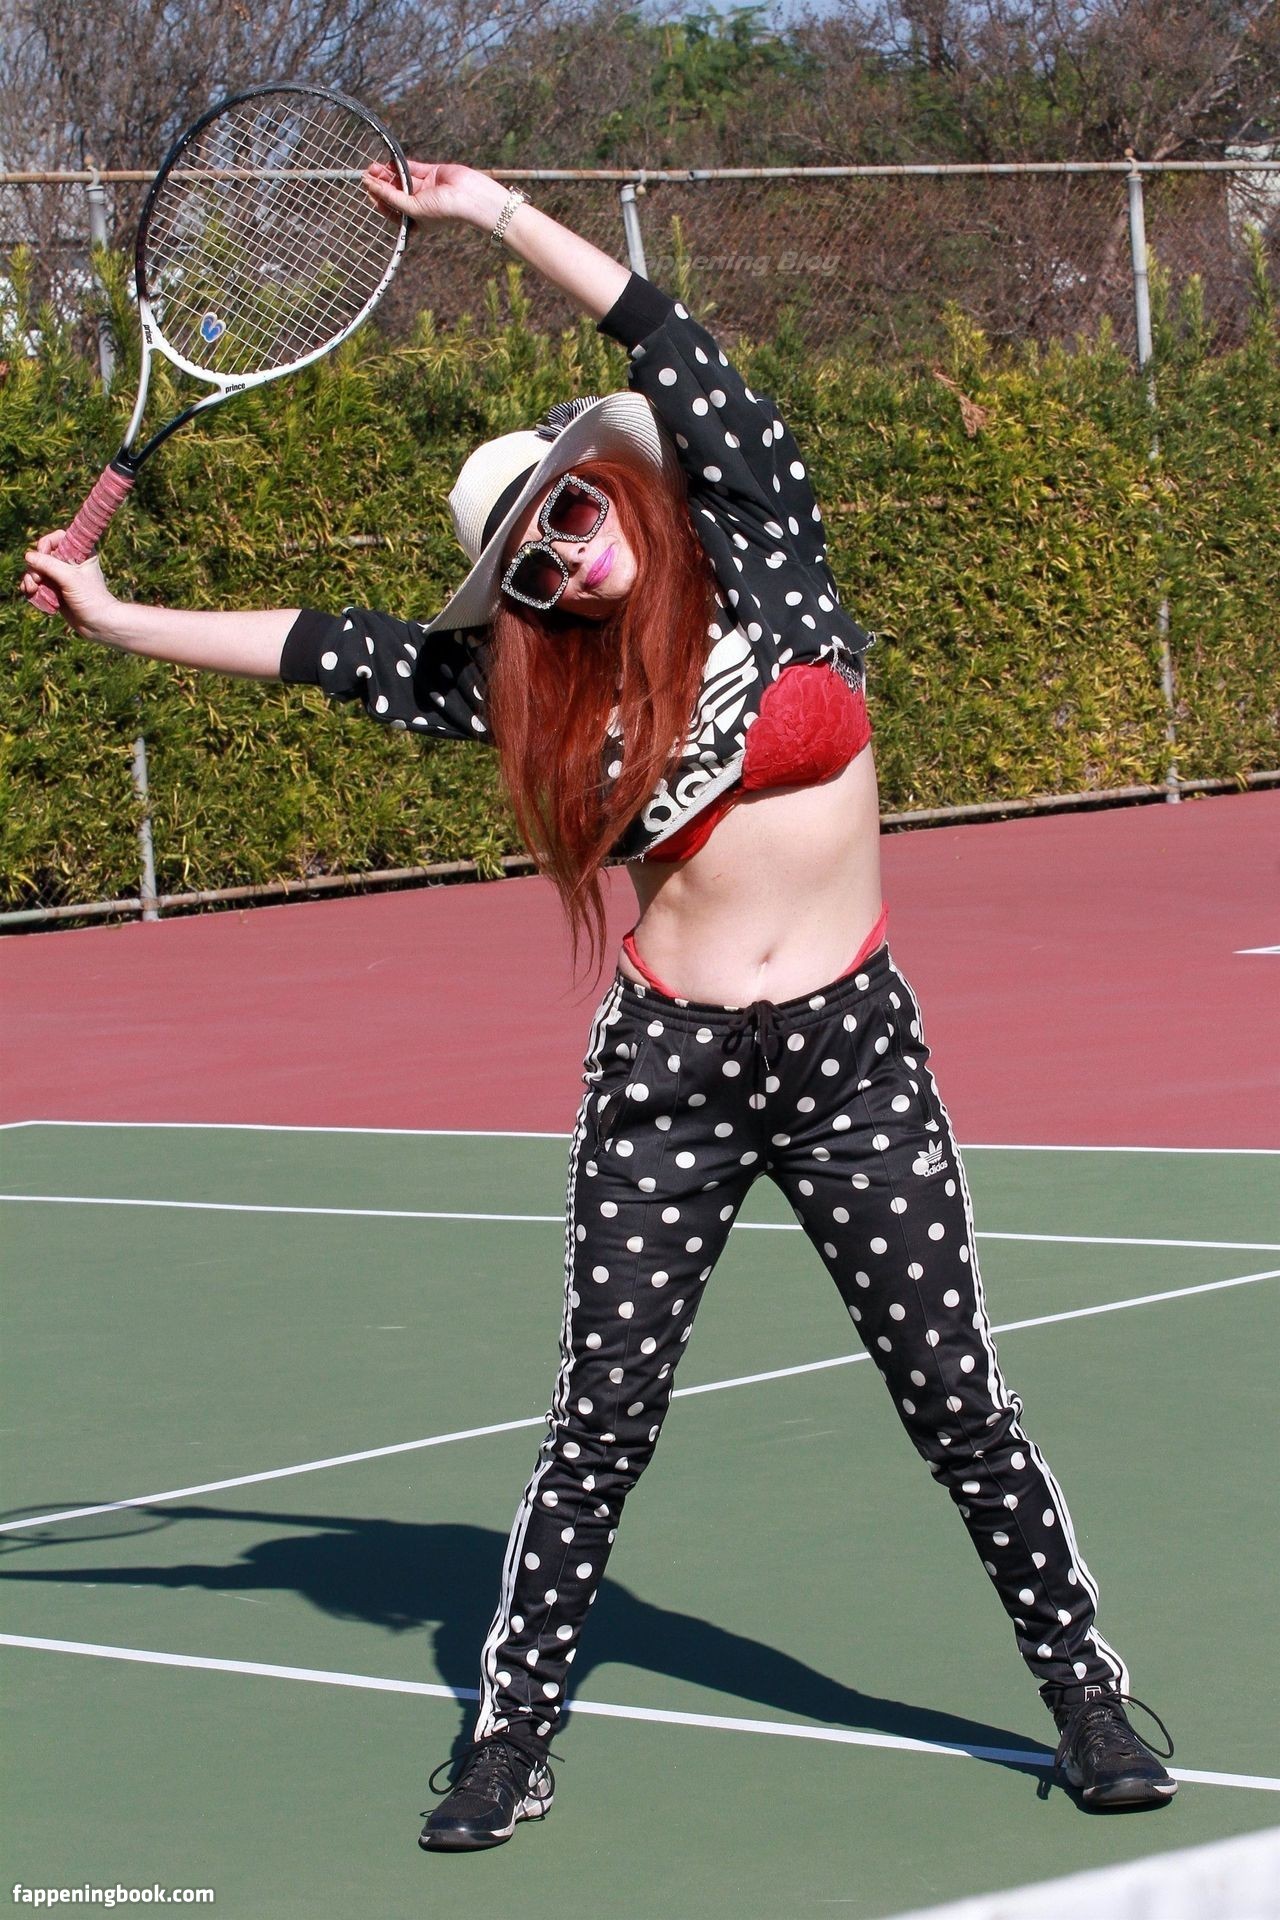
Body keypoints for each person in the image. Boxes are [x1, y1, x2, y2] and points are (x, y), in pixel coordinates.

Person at [22, 159, 1177, 1851]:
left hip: (855, 1059)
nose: (563, 558)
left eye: (571, 512)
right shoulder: (530, 694)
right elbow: (324, 647)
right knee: (600, 1427)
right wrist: (120, 621)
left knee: (956, 1400)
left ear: (621, 484)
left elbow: (666, 337)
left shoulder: (767, 554)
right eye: (528, 561)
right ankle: (508, 1741)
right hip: (671, 1080)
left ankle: (1086, 1697)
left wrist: (491, 216)